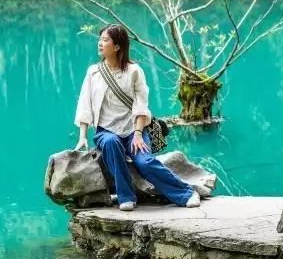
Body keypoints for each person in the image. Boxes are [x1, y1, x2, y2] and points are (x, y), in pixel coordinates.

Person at [74, 25, 200, 211]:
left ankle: (186, 193)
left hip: (134, 130)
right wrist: (83, 136)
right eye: (100, 39)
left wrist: (139, 134)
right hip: (105, 131)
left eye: (105, 40)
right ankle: (126, 197)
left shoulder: (134, 71)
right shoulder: (93, 72)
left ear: (117, 47)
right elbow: (84, 104)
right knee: (111, 142)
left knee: (145, 162)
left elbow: (141, 106)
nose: (100, 43)